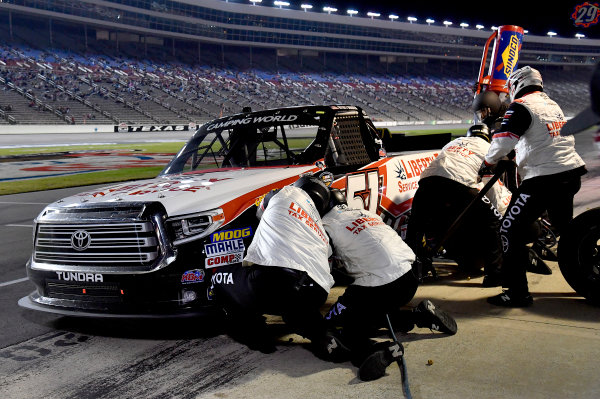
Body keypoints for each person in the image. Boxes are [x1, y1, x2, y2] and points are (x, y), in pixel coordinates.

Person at [479, 66, 587, 307]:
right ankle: (586, 276)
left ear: (517, 84)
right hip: (570, 172)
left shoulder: (522, 105)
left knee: (508, 230)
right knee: (567, 233)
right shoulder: (552, 105)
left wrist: (488, 162)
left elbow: (503, 141)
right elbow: (544, 139)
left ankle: (516, 293)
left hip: (544, 178)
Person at [322, 189, 457, 381]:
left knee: (337, 326)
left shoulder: (325, 224)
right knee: (372, 312)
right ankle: (419, 316)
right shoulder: (365, 213)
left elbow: (322, 265)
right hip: (410, 277)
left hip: (382, 286)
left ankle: (376, 350)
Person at [209, 175, 349, 361]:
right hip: (316, 292)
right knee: (295, 308)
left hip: (276, 281)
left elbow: (259, 214)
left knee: (218, 278)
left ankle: (255, 335)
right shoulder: (320, 227)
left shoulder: (286, 192)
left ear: (300, 186)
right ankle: (323, 336)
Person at [406, 124, 505, 287]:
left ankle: (412, 269)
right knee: (492, 219)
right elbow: (491, 185)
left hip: (427, 181)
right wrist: (496, 209)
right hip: (459, 182)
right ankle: (495, 274)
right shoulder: (489, 147)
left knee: (416, 226)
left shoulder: (454, 142)